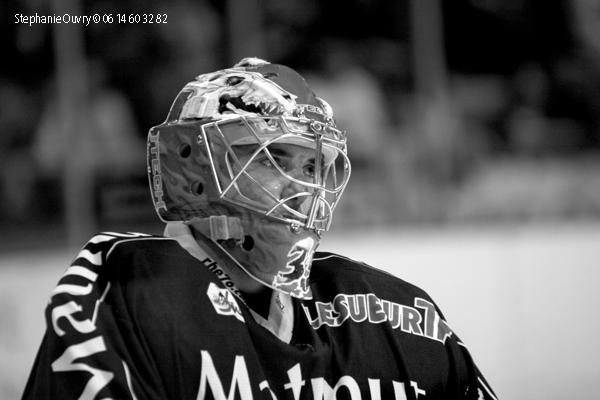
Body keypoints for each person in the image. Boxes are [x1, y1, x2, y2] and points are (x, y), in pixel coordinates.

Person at [23, 58, 497, 400]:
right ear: (195, 169)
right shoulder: (129, 297)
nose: (303, 187)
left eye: (313, 165)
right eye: (274, 159)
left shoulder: (394, 316)